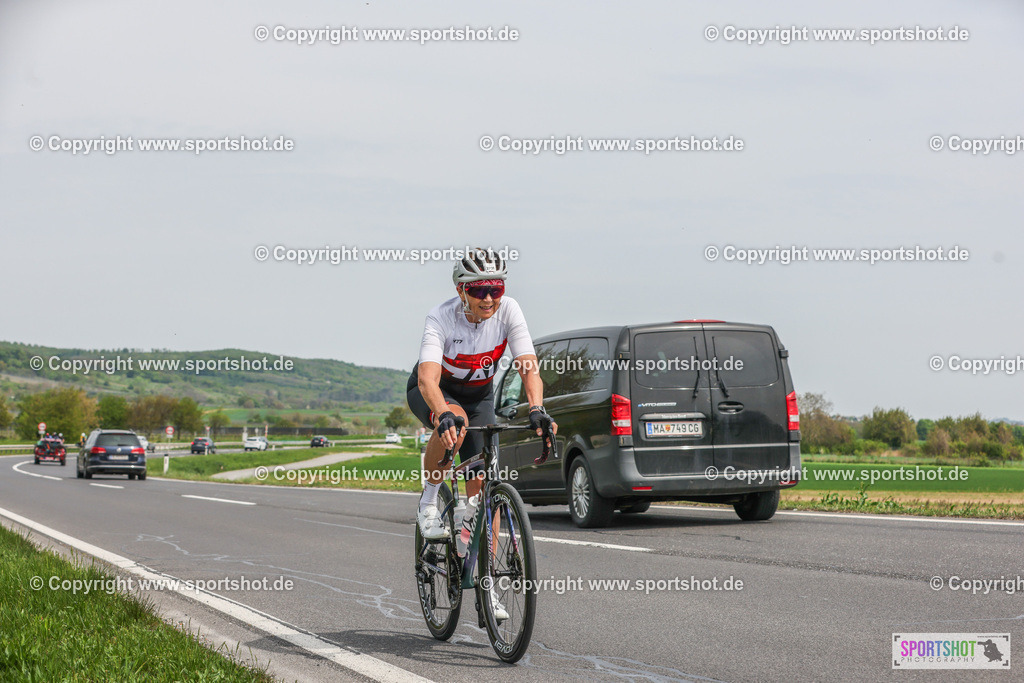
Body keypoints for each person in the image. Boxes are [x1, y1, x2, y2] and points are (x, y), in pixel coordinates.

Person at [408, 247, 556, 620]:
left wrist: (536, 407)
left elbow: (527, 365)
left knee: (482, 492)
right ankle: (428, 501)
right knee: (454, 425)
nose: (489, 298)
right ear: (462, 291)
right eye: (479, 290)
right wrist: (441, 413)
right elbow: (428, 377)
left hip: (480, 396)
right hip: (438, 392)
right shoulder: (441, 316)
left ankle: (486, 583)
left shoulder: (509, 310)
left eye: (495, 288)